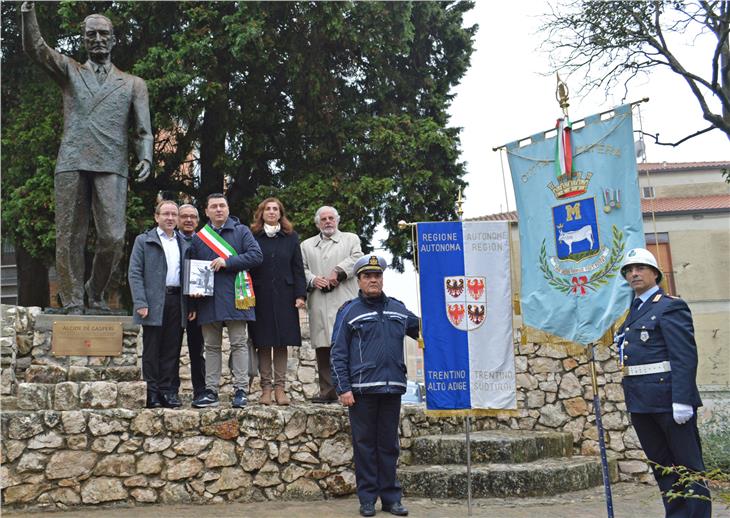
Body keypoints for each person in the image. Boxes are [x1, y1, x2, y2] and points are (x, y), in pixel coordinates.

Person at [22, 2, 153, 315]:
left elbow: (144, 130)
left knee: (114, 236)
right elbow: (36, 48)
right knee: (68, 237)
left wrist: (146, 157)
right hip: (72, 160)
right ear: (83, 39)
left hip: (112, 163)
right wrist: (27, 12)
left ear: (113, 39)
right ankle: (72, 302)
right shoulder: (70, 71)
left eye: (104, 33)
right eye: (91, 34)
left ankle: (95, 292)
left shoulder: (134, 84)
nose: (98, 38)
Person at [617, 248, 711, 518]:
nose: (634, 274)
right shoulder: (635, 309)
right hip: (641, 401)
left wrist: (682, 399)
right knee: (663, 467)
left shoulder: (669, 306)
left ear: (655, 273)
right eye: (629, 270)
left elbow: (684, 356)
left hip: (670, 400)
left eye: (640, 268)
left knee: (688, 467)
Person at [331, 255, 419, 517]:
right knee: (365, 446)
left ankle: (391, 499)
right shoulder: (349, 310)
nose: (373, 280)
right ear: (359, 280)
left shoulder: (398, 308)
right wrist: (343, 388)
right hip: (361, 390)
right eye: (368, 276)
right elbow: (338, 352)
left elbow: (426, 330)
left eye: (377, 276)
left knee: (389, 446)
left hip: (392, 389)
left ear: (382, 279)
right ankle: (368, 499)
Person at [190, 194, 262, 408]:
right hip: (208, 299)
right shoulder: (199, 237)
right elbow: (193, 267)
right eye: (214, 206)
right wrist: (193, 294)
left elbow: (256, 256)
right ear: (207, 211)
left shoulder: (241, 231)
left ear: (228, 209)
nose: (219, 209)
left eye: (222, 205)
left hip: (236, 296)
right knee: (211, 346)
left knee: (239, 343)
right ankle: (211, 391)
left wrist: (228, 262)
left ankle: (240, 389)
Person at [128, 201, 189, 409]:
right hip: (153, 301)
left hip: (176, 299)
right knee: (152, 349)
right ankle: (152, 393)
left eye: (174, 214)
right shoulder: (144, 241)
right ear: (157, 217)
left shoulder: (184, 242)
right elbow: (134, 273)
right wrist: (140, 301)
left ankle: (168, 392)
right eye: (166, 214)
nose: (170, 218)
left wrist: (190, 305)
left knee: (172, 349)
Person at [301, 206, 363, 403]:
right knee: (323, 346)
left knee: (348, 344)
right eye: (323, 219)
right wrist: (312, 280)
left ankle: (352, 389)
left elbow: (357, 259)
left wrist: (338, 272)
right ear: (317, 223)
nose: (327, 222)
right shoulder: (306, 245)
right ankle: (327, 391)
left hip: (344, 299)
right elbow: (300, 268)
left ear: (337, 221)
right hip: (320, 301)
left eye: (331, 218)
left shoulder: (351, 239)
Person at [248, 198, 307, 406]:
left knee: (282, 342)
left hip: (285, 296)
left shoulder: (291, 237)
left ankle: (280, 389)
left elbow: (298, 268)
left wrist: (300, 295)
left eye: (275, 209)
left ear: (280, 213)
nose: (272, 212)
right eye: (268, 209)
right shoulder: (253, 236)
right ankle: (265, 389)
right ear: (261, 213)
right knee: (263, 342)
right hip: (260, 296)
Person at [176, 204, 206, 401]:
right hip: (174, 302)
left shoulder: (204, 242)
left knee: (197, 351)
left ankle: (200, 392)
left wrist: (193, 305)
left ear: (197, 220)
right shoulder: (170, 240)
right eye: (184, 216)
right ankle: (170, 391)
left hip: (197, 305)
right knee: (171, 350)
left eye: (192, 217)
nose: (188, 220)